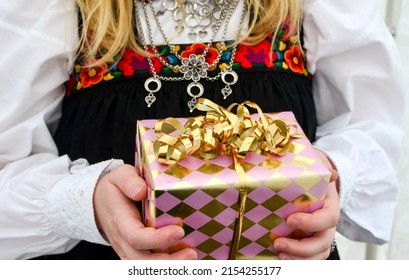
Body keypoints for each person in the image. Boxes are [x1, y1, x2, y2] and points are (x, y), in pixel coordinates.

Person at [0, 0, 405, 260]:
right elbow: (7, 163)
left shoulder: (312, 8)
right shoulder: (56, 9)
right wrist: (85, 204)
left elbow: (374, 128)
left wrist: (330, 181)